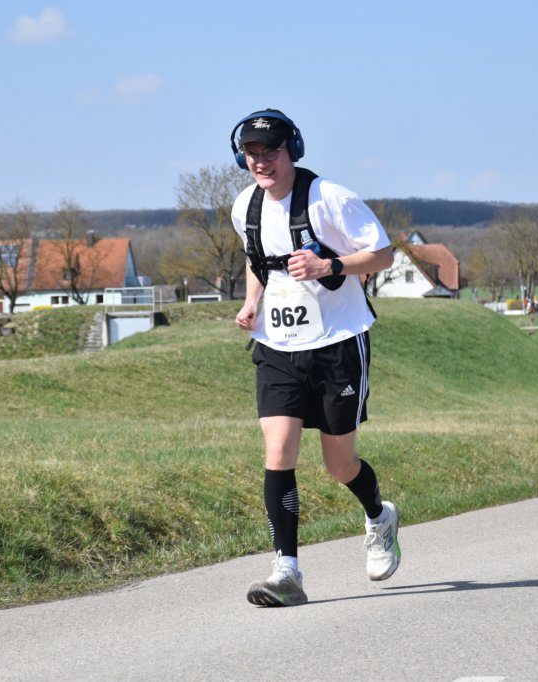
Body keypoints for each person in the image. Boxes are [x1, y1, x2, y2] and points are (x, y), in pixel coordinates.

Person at [230, 109, 399, 607]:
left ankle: (379, 516)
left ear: (293, 151)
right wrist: (252, 301)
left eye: (271, 152)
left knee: (339, 464)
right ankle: (286, 571)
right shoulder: (245, 206)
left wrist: (330, 264)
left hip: (337, 344)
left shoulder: (330, 199)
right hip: (278, 346)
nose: (261, 162)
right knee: (278, 450)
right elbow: (256, 258)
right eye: (252, 153)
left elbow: (384, 255)